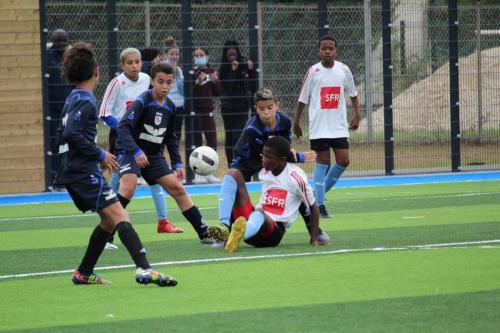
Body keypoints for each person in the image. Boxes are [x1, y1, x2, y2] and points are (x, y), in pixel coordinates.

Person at [53, 42, 176, 286]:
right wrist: (100, 155)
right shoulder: (86, 99)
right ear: (97, 72)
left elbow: (66, 133)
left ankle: (84, 272)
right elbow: (71, 132)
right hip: (81, 172)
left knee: (109, 220)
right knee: (120, 215)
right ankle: (144, 269)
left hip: (73, 169)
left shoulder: (73, 97)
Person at [207, 88, 328, 245]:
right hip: (249, 158)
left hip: (271, 156)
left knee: (293, 185)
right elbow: (268, 153)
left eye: (270, 108)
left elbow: (282, 148)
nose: (266, 113)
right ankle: (224, 227)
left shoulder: (285, 122)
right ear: (255, 109)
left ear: (277, 105)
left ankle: (314, 231)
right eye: (261, 109)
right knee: (232, 178)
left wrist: (291, 154)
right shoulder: (252, 128)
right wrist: (297, 157)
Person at [115, 62, 213, 244]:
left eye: (169, 82)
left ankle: (205, 233)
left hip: (153, 156)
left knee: (178, 189)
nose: (165, 86)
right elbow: (123, 127)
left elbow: (170, 137)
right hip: (131, 151)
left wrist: (177, 162)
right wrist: (136, 151)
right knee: (128, 188)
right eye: (161, 82)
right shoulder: (142, 101)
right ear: (152, 81)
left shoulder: (170, 107)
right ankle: (107, 236)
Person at [99, 48, 181, 251]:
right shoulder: (116, 83)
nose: (134, 65)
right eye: (130, 62)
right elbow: (103, 113)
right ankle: (107, 219)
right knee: (119, 179)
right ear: (122, 65)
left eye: (137, 62)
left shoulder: (147, 79)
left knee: (155, 175)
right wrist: (125, 126)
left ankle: (163, 221)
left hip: (148, 135)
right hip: (123, 136)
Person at [213, 136, 329, 252]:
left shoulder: (296, 178)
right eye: (263, 155)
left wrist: (314, 238)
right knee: (233, 173)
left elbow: (313, 207)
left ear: (282, 159)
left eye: (268, 157)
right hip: (252, 226)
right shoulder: (264, 171)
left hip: (273, 233)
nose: (264, 159)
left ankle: (239, 235)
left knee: (259, 213)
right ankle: (225, 227)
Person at [293, 35, 361, 218]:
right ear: (319, 51)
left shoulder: (344, 69)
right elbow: (302, 98)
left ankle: (315, 196)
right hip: (319, 126)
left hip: (338, 125)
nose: (327, 51)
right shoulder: (313, 71)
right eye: (324, 48)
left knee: (344, 160)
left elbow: (353, 93)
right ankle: (320, 206)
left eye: (331, 48)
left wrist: (358, 114)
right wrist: (296, 121)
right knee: (322, 162)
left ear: (336, 50)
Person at [219, 40, 256, 166]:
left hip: (241, 106)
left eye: (234, 52)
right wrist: (233, 71)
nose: (232, 55)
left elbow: (250, 84)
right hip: (228, 107)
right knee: (229, 136)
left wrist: (249, 70)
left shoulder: (243, 65)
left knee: (238, 135)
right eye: (229, 53)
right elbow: (228, 88)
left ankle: (239, 164)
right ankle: (231, 165)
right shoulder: (223, 68)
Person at [47, 29, 73, 189]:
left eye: (64, 41)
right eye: (58, 41)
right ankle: (52, 177)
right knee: (52, 142)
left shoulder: (70, 57)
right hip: (51, 108)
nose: (61, 45)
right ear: (53, 41)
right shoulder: (47, 56)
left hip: (67, 106)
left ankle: (63, 177)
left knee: (66, 142)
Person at [192, 47, 220, 183]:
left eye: (201, 55)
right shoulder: (191, 71)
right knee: (197, 142)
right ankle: (198, 173)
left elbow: (218, 92)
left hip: (208, 111)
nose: (198, 57)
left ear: (207, 56)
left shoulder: (212, 71)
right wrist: (197, 82)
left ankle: (209, 172)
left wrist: (215, 81)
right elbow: (190, 92)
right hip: (195, 111)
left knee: (212, 142)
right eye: (196, 55)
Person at [160, 36, 186, 141]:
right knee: (163, 131)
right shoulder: (162, 67)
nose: (174, 56)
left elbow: (181, 90)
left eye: (176, 54)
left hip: (179, 105)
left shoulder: (179, 70)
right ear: (167, 55)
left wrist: (178, 76)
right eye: (172, 54)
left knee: (177, 133)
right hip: (166, 104)